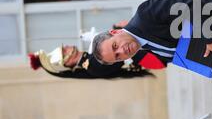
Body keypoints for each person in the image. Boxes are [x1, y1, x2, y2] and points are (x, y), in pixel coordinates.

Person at [28, 45, 166, 80]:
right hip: (146, 55)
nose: (67, 47)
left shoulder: (90, 56)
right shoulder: (92, 65)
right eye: (64, 50)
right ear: (67, 62)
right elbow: (121, 55)